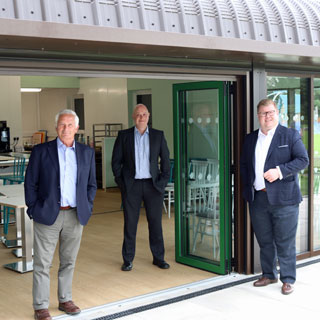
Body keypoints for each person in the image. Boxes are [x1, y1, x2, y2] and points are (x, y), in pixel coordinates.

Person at [25, 109, 97, 320]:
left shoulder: (86, 152)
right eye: (62, 125)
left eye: (70, 125)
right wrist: (33, 208)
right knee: (42, 263)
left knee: (69, 261)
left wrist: (88, 205)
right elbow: (31, 183)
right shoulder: (41, 151)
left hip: (75, 215)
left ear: (77, 128)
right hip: (47, 215)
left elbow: (91, 184)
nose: (66, 129)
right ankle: (40, 306)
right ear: (56, 127)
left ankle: (65, 299)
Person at [240, 99, 309, 295]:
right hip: (258, 199)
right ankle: (269, 274)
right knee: (264, 239)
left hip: (285, 199)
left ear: (277, 113)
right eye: (263, 113)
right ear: (258, 116)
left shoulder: (289, 135)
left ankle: (288, 279)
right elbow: (244, 164)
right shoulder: (250, 138)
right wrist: (248, 188)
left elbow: (303, 160)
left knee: (285, 240)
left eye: (270, 112)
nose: (267, 116)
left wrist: (279, 171)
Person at [112, 104, 171, 271]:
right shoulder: (124, 136)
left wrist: (162, 182)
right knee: (130, 224)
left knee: (155, 224)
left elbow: (166, 161)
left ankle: (159, 258)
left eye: (144, 114)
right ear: (133, 116)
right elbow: (116, 162)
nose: (141, 117)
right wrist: (122, 183)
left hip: (153, 187)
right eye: (138, 114)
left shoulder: (158, 136)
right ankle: (128, 259)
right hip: (132, 186)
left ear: (149, 115)